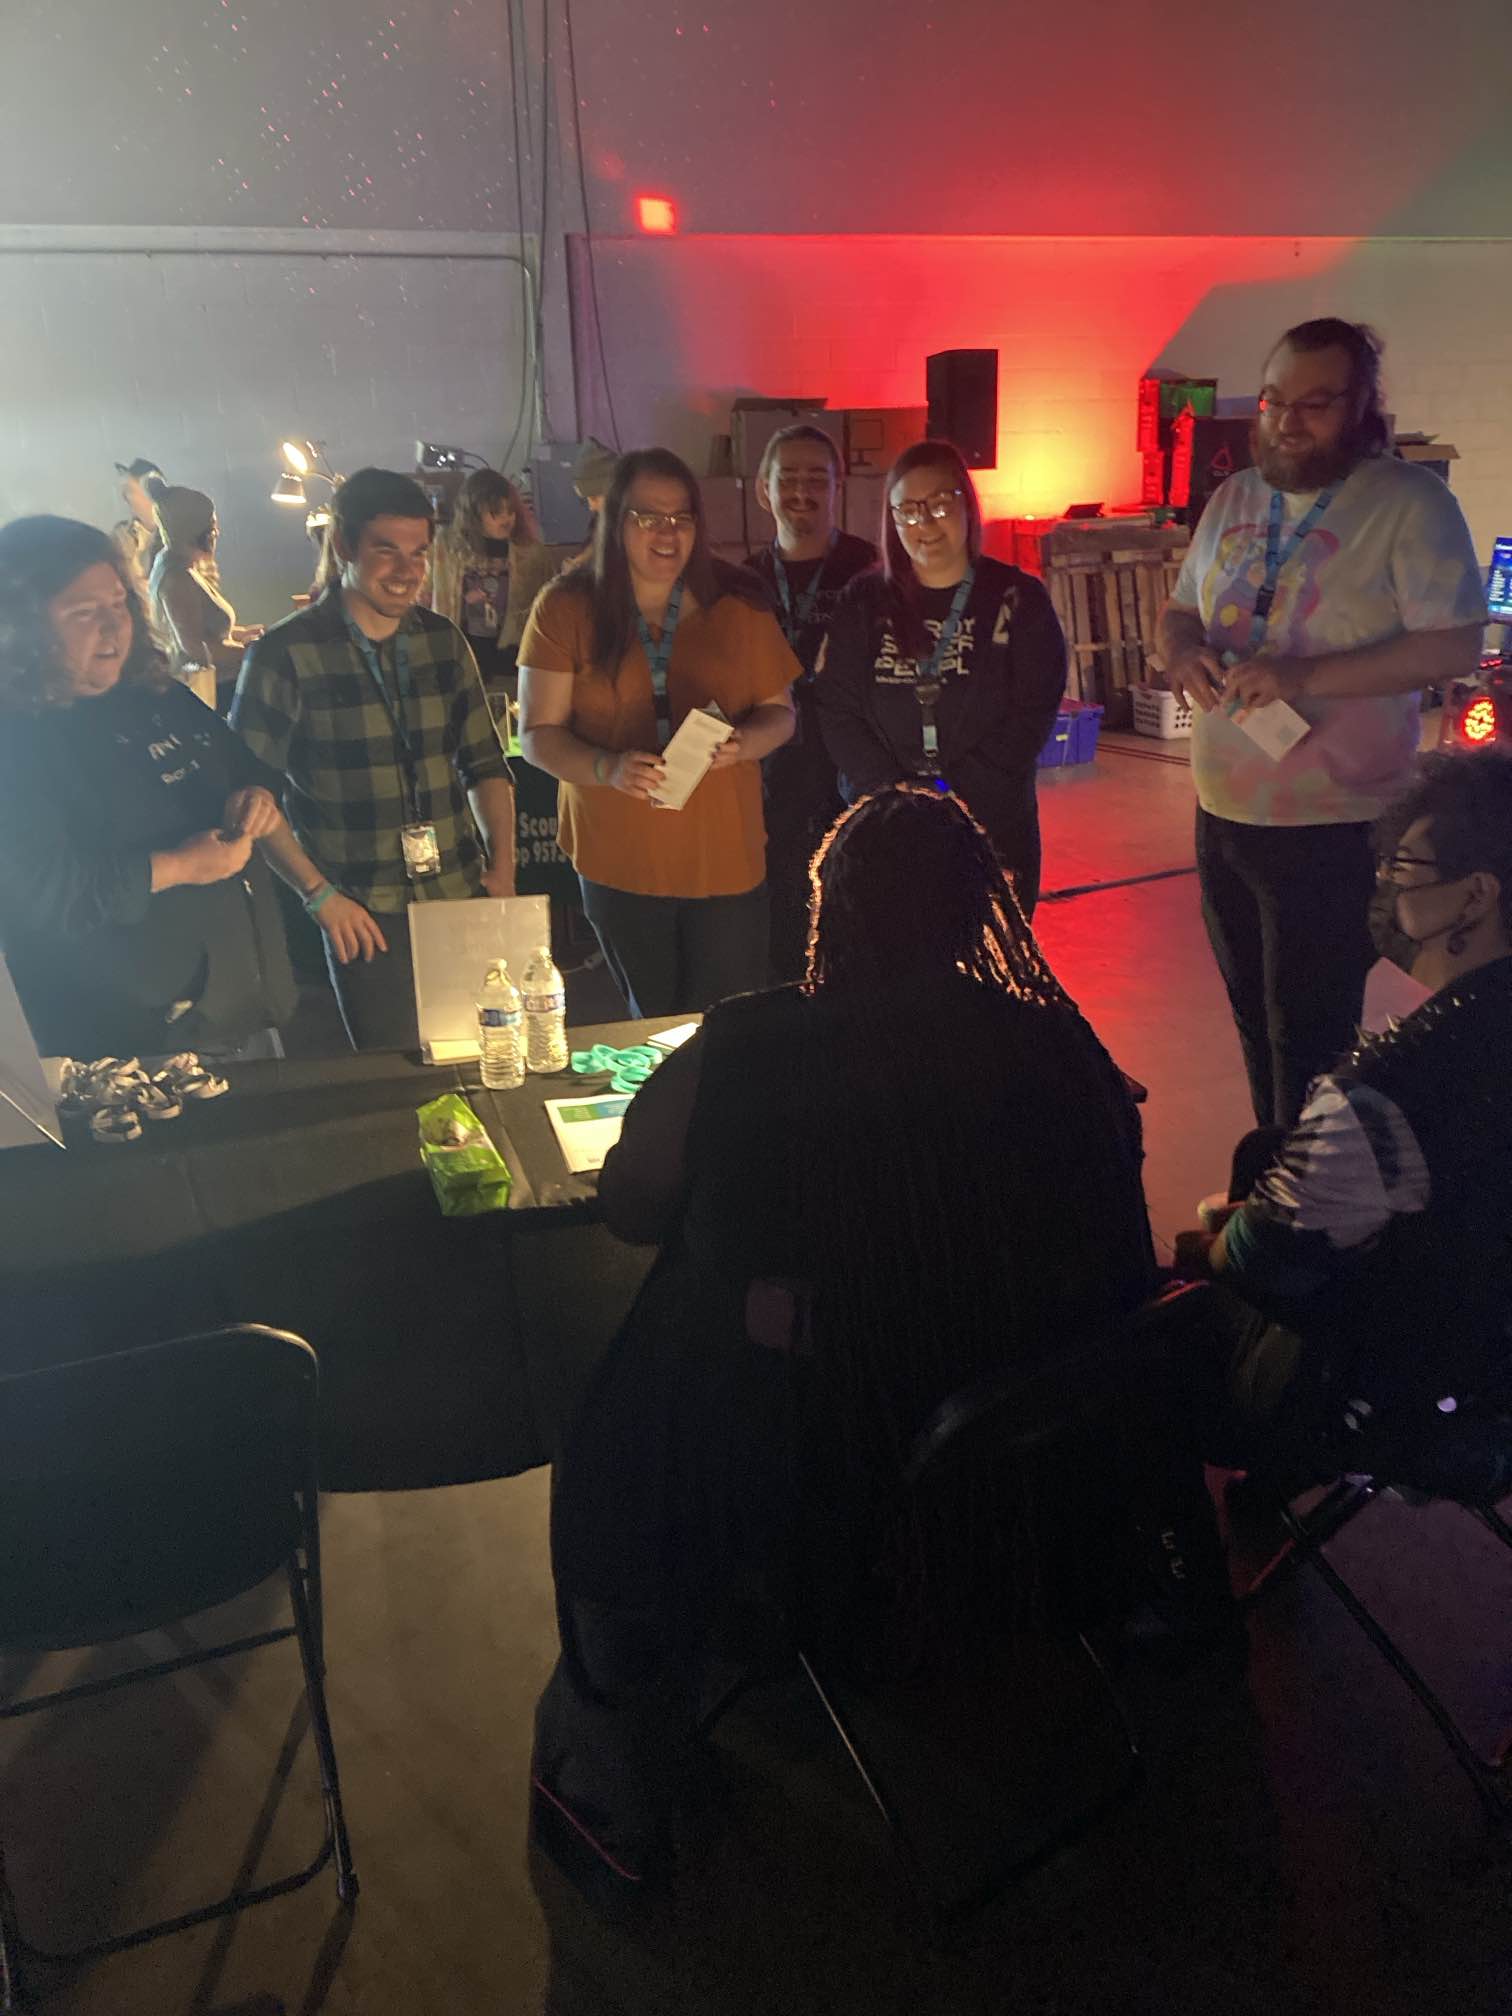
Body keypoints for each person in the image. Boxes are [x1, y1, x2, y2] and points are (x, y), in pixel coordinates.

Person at [531, 785, 1214, 1894]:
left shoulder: (750, 1041)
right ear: (976, 915)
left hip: (822, 1451)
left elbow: (632, 1207)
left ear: (828, 908)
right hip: (1022, 1449)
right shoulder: (1057, 1047)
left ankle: (618, 1728)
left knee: (668, 1318)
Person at [1157, 317, 1487, 1131]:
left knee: (1306, 1038)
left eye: (1315, 403)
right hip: (1223, 812)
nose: (1286, 421)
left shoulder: (1410, 503)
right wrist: (1184, 655)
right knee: (1253, 1028)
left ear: (1362, 407)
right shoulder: (1236, 497)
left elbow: (1451, 643)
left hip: (1334, 823)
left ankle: (1307, 1218)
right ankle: (1271, 1186)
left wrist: (1305, 677)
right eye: (1274, 400)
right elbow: (1177, 613)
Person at [1177, 751, 1512, 1479]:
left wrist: (1209, 1238)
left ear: (1477, 895)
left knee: (1171, 1296)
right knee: (1267, 1150)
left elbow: (1260, 1262)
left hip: (1421, 1403)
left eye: (1403, 870)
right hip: (1494, 1342)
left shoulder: (1384, 1089)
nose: (1383, 887)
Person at [230, 467, 517, 1052]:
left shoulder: (443, 641)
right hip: (362, 911)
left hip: (459, 892)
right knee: (397, 1077)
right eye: (387, 551)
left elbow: (485, 765)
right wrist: (318, 895)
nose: (408, 570)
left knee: (485, 1059)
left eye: (418, 552)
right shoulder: (284, 654)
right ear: (343, 547)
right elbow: (249, 798)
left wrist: (504, 869)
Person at [0, 516, 295, 1061]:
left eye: (118, 605)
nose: (114, 629)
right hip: (122, 1043)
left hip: (237, 1005)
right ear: (20, 625)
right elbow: (40, 895)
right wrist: (180, 866)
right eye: (84, 613)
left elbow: (248, 769)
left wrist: (254, 797)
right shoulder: (16, 740)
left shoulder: (154, 694)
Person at [517, 448, 798, 1016]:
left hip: (723, 855)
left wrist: (744, 744)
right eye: (648, 517)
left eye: (682, 518)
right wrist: (608, 768)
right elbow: (537, 735)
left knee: (726, 1026)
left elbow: (782, 714)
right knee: (653, 1030)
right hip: (619, 856)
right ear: (615, 520)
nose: (666, 533)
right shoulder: (565, 608)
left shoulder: (738, 604)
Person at [815, 439, 1066, 916]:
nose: (923, 523)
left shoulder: (1018, 599)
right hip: (883, 829)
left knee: (986, 978)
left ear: (967, 505)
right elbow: (838, 710)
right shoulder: (863, 600)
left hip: (989, 830)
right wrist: (898, 797)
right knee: (890, 977)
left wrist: (949, 800)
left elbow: (1031, 714)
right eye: (907, 510)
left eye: (938, 504)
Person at [743, 423, 877, 981]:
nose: (802, 491)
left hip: (852, 774)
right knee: (779, 933)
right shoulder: (744, 582)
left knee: (855, 925)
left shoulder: (871, 570)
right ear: (763, 489)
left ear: (837, 485)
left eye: (815, 478)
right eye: (788, 477)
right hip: (768, 782)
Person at [427, 469, 556, 705]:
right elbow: (425, 597)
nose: (506, 519)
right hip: (460, 663)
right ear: (473, 514)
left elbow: (548, 611)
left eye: (510, 511)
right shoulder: (445, 549)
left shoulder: (531, 555)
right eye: (496, 512)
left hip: (510, 665)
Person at [146, 480, 261, 710]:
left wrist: (241, 634)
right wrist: (254, 652)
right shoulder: (177, 578)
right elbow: (196, 648)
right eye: (213, 526)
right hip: (213, 693)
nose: (217, 533)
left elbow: (207, 630)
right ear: (199, 532)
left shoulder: (182, 566)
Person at [112, 457, 165, 586]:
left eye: (130, 490)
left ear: (150, 493)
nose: (124, 497)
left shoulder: (180, 536)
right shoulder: (122, 536)